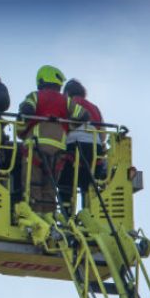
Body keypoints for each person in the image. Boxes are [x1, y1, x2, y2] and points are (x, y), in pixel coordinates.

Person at [17, 65, 89, 213]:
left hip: (35, 148)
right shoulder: (66, 101)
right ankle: (49, 217)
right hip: (58, 152)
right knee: (50, 186)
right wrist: (67, 126)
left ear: (41, 80)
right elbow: (83, 115)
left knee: (32, 183)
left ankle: (35, 214)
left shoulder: (35, 96)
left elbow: (26, 110)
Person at [59, 79, 105, 212]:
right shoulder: (95, 107)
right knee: (88, 182)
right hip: (95, 149)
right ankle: (88, 211)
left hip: (74, 146)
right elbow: (103, 135)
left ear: (67, 93)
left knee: (64, 178)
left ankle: (67, 211)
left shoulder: (68, 104)